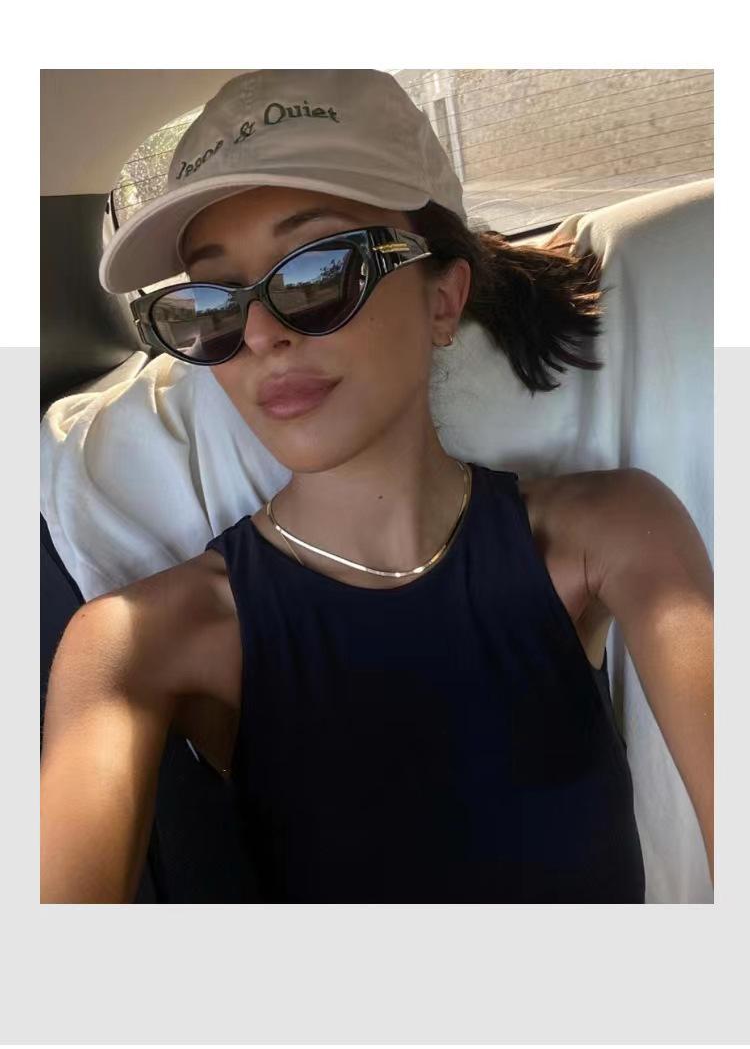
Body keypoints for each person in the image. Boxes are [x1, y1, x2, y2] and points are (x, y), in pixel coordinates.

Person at [40, 69, 714, 902]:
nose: (260, 334)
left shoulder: (613, 533)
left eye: (319, 272)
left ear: (443, 302)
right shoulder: (131, 643)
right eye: (213, 305)